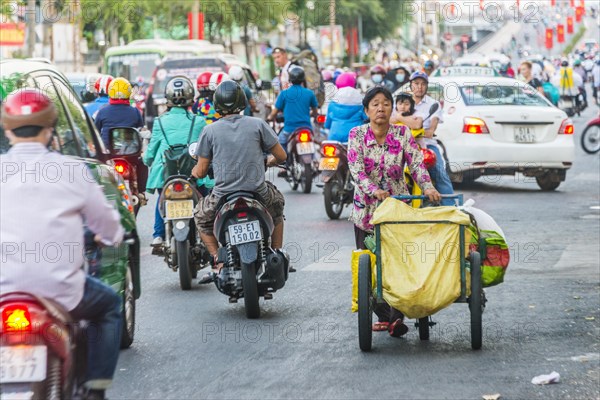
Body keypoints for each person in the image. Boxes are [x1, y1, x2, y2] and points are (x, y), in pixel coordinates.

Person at [0, 89, 124, 400]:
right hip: (62, 291)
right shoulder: (70, 170)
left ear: (7, 128)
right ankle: (95, 390)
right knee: (109, 306)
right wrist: (110, 238)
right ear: (50, 129)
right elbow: (108, 226)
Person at [347, 86, 441, 337]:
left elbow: (417, 164)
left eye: (386, 103)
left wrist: (429, 187)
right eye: (375, 104)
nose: (381, 108)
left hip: (397, 210)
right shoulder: (356, 135)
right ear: (366, 110)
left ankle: (396, 317)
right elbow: (357, 171)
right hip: (366, 212)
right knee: (369, 266)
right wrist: (373, 190)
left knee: (398, 264)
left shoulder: (402, 134)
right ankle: (384, 315)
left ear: (392, 108)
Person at [191, 80, 288, 283]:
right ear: (242, 101)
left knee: (200, 217)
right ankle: (277, 253)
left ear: (216, 105)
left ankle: (218, 260)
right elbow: (281, 156)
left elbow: (200, 171)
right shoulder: (258, 124)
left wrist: (194, 171)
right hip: (258, 192)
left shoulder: (209, 131)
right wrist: (269, 162)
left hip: (222, 196)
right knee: (277, 209)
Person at [143, 76, 209, 249]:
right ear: (190, 97)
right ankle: (210, 234)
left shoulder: (159, 122)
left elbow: (150, 154)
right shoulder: (199, 121)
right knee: (205, 196)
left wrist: (146, 159)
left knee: (163, 196)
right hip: (193, 173)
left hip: (166, 172)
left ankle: (158, 235)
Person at [398, 71, 455, 205]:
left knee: (441, 173)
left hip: (426, 146)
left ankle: (452, 207)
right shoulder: (402, 100)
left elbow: (430, 131)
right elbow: (392, 119)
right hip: (401, 145)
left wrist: (410, 125)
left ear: (427, 86)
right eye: (416, 83)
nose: (419, 87)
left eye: (423, 84)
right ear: (411, 85)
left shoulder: (433, 104)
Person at [267, 66, 318, 150]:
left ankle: (284, 162)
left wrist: (269, 118)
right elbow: (315, 112)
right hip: (307, 128)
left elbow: (274, 112)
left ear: (290, 79)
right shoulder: (309, 93)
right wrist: (311, 114)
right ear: (303, 79)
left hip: (289, 129)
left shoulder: (284, 93)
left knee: (279, 144)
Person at [94, 77, 144, 147]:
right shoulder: (135, 112)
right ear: (129, 91)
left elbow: (95, 131)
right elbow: (140, 130)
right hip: (130, 151)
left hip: (107, 152)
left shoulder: (102, 111)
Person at [325, 72, 366, 143]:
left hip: (334, 138)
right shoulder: (361, 102)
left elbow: (327, 125)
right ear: (354, 84)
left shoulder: (332, 103)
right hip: (355, 138)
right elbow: (366, 119)